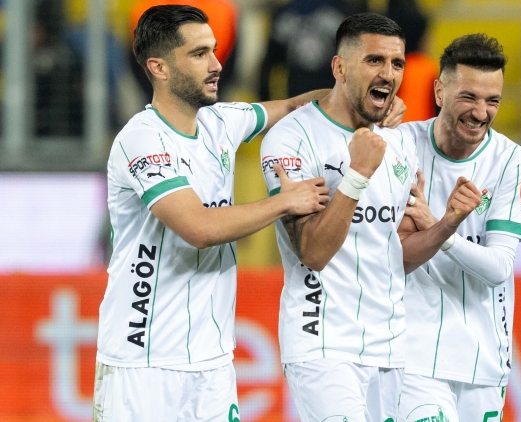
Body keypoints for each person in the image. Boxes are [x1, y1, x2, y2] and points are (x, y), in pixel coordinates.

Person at [92, 5, 337, 421]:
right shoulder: (142, 140)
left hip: (213, 364)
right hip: (144, 364)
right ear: (158, 67)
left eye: (214, 50)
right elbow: (199, 228)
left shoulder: (221, 122)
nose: (216, 64)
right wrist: (284, 201)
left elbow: (299, 106)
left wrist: (360, 101)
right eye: (199, 53)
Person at [260, 13, 481, 422]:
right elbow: (312, 252)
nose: (388, 74)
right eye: (374, 60)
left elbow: (397, 253)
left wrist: (445, 225)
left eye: (397, 63)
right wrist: (357, 174)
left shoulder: (397, 145)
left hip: (389, 348)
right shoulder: (292, 139)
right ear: (339, 67)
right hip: (321, 343)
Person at [397, 34, 521, 422]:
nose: (480, 112)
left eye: (493, 101)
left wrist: (441, 228)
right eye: (469, 97)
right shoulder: (400, 146)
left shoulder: (513, 162)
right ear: (439, 92)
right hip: (412, 355)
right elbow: (392, 255)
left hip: (484, 359)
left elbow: (498, 268)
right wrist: (442, 226)